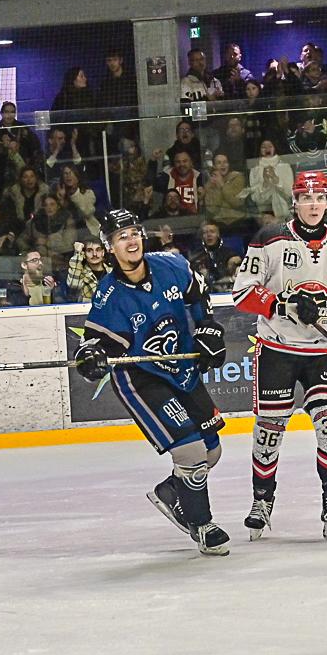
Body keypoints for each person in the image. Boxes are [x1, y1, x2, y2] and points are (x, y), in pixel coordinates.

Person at [74, 209, 230, 555]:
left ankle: (171, 492)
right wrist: (91, 357)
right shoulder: (109, 295)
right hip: (142, 379)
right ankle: (202, 524)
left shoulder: (170, 265)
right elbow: (96, 343)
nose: (130, 241)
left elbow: (197, 295)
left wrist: (208, 328)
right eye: (121, 237)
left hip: (181, 371)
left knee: (211, 451)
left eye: (134, 233)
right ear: (109, 247)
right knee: (190, 451)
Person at [231, 171, 327, 541]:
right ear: (294, 201)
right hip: (277, 349)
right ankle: (262, 500)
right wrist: (281, 303)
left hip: (325, 352)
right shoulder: (269, 238)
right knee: (270, 429)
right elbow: (242, 292)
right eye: (306, 198)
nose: (313, 204)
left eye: (320, 197)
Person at [66, 237, 112, 303]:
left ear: (103, 252)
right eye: (89, 251)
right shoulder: (80, 273)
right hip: (87, 309)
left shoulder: (112, 272)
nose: (94, 254)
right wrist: (78, 253)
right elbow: (73, 284)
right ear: (84, 254)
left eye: (98, 250)